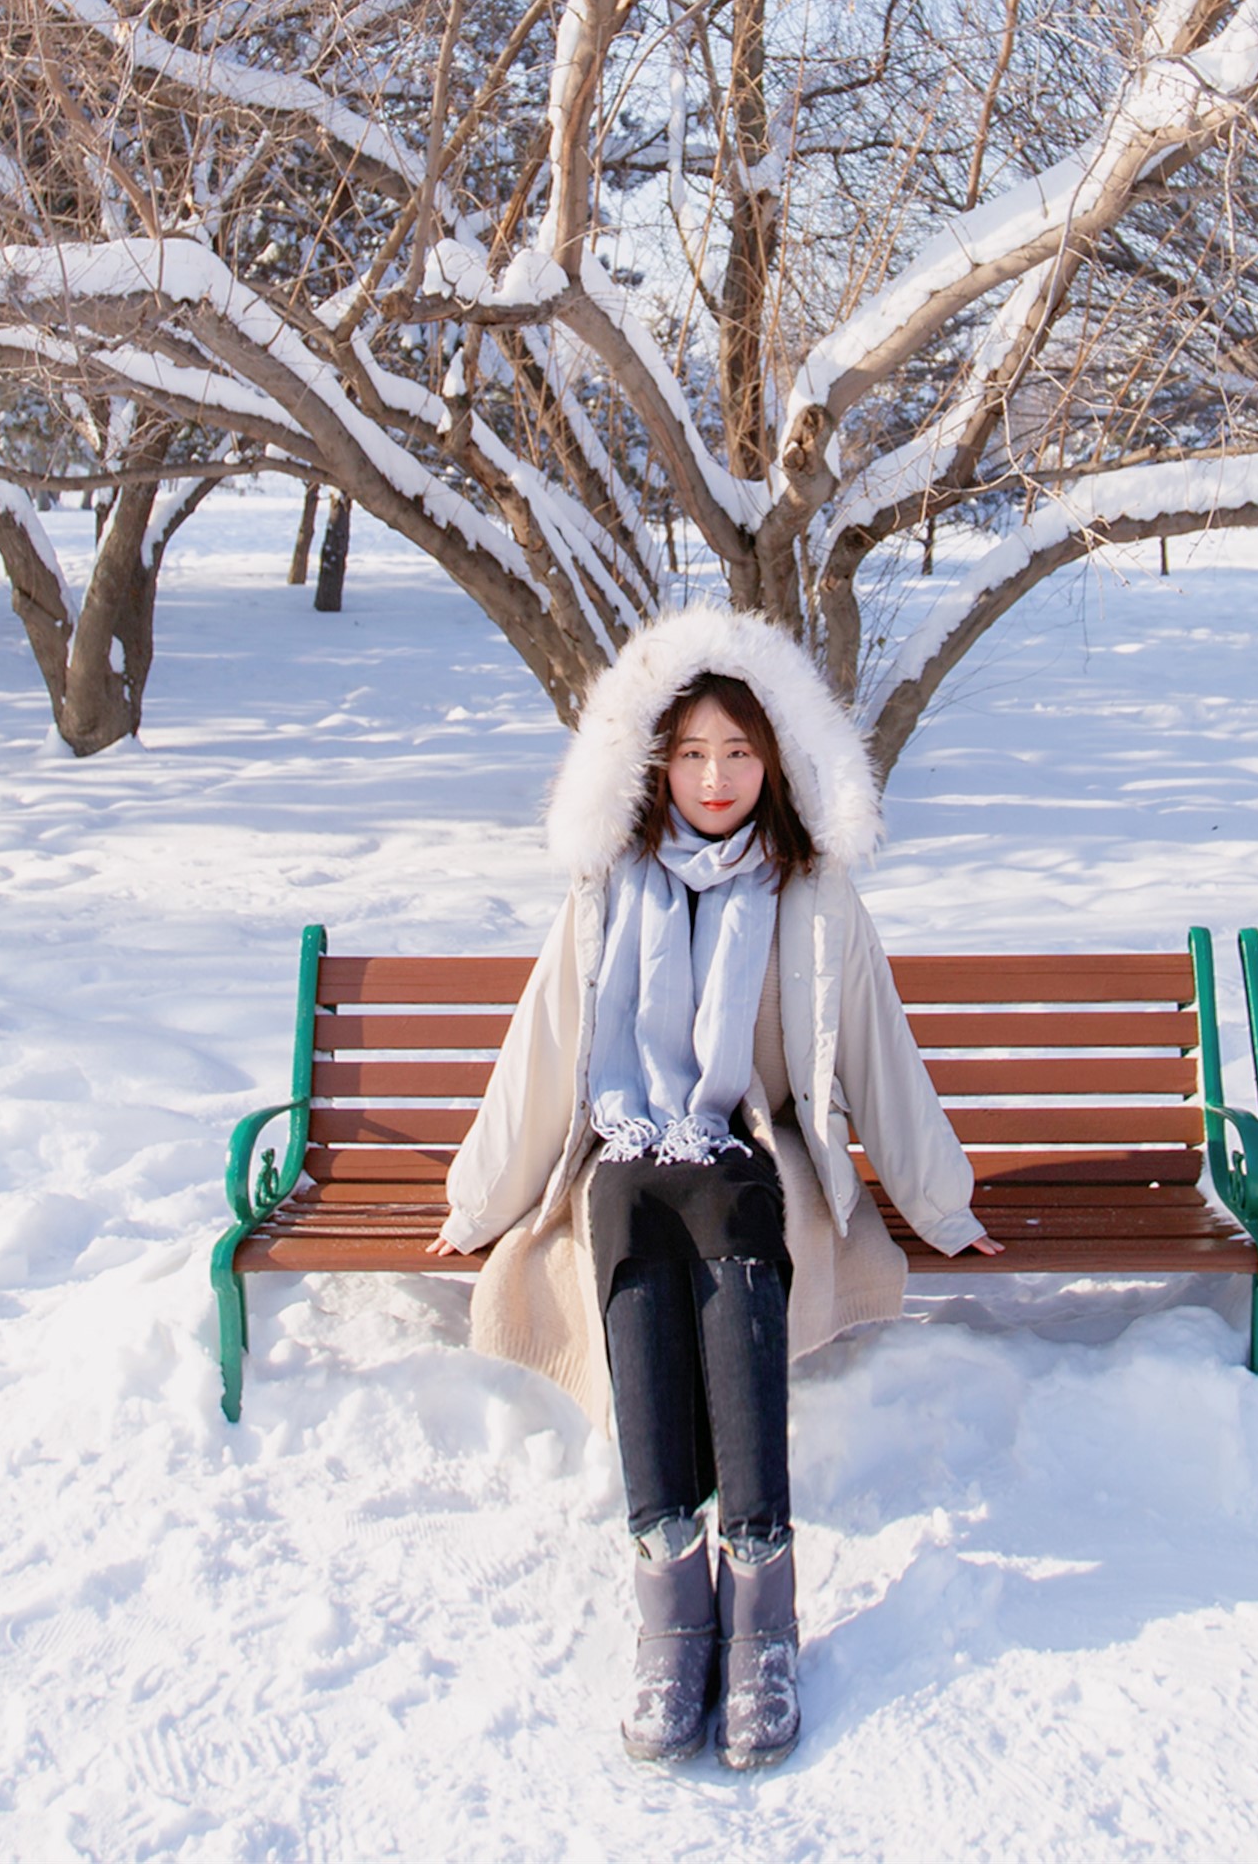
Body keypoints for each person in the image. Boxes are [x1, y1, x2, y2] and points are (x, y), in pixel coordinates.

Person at [424, 606, 999, 1769]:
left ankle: (761, 1595)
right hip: (632, 1148)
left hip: (757, 1144)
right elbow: (541, 1054)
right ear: (651, 763)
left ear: (777, 757)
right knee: (629, 1200)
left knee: (730, 1199)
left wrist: (942, 1203)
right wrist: (477, 1205)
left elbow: (883, 1054)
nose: (716, 775)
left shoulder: (815, 895)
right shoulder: (606, 893)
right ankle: (668, 1600)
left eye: (739, 751)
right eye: (691, 752)